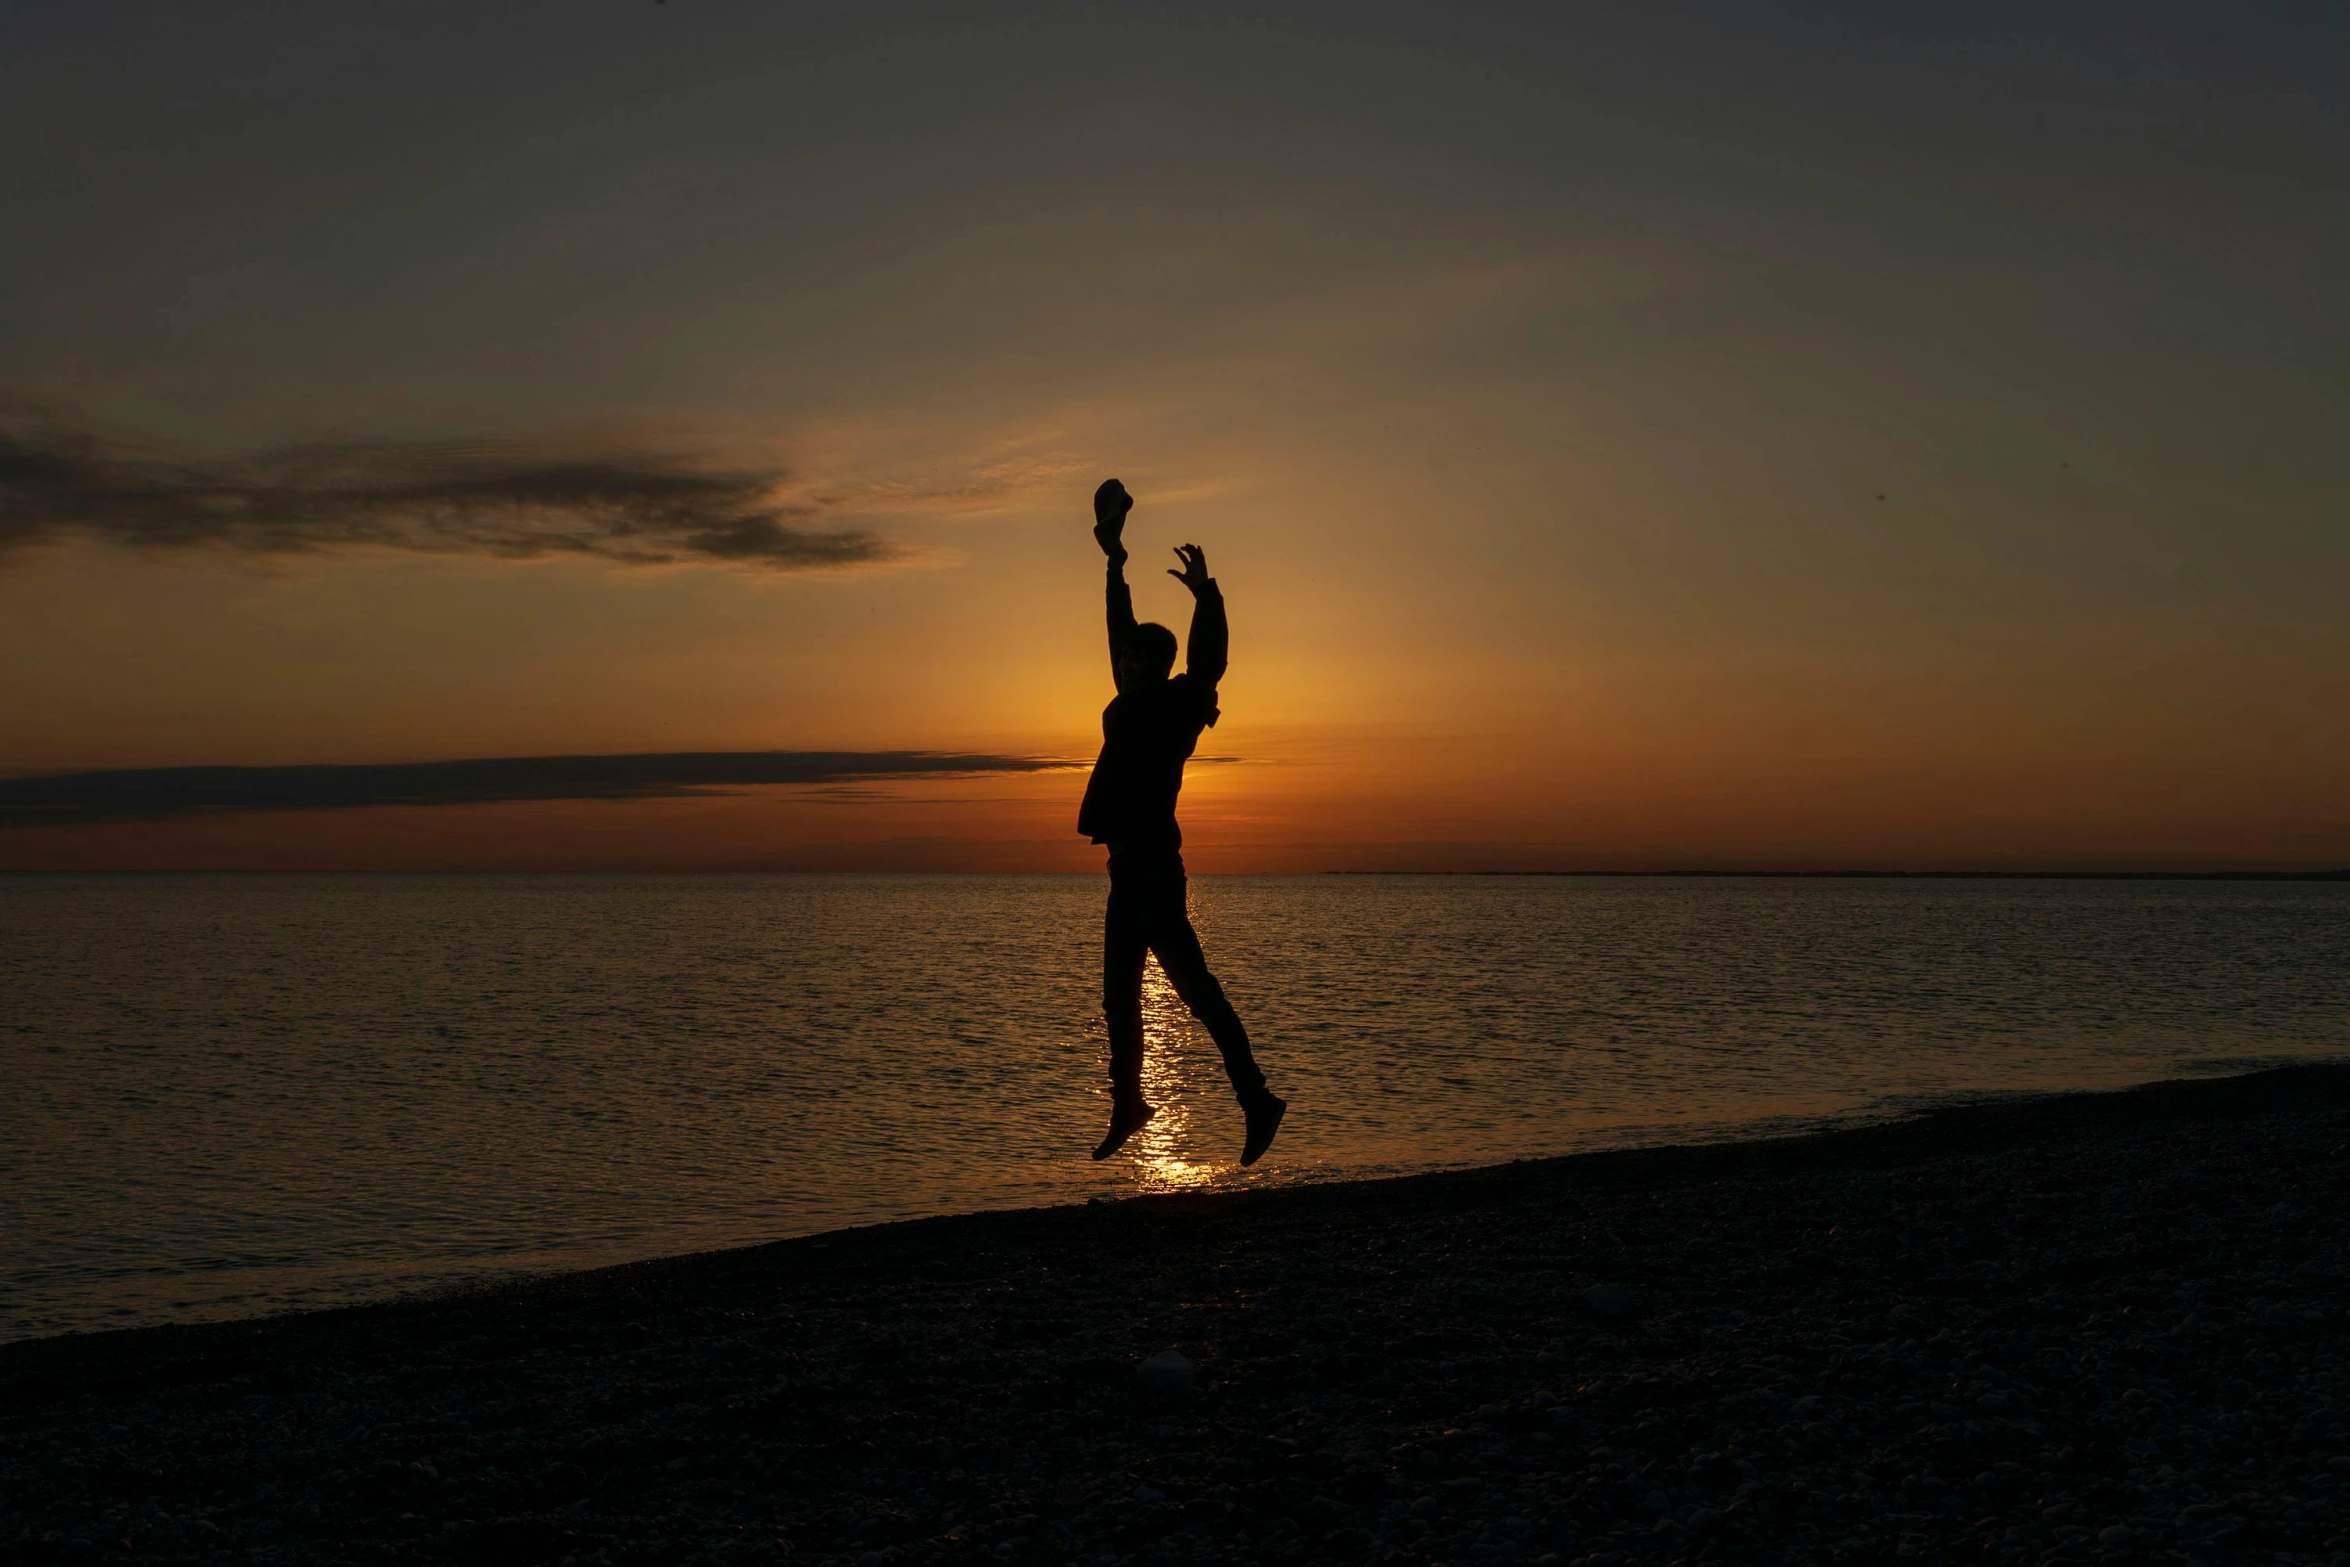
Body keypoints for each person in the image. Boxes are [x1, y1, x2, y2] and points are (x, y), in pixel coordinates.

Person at [1079, 478, 1287, 1166]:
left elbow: (1212, 661)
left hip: (1156, 874)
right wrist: (1115, 561)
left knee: (1196, 991)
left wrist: (1208, 596)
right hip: (1123, 872)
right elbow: (1117, 630)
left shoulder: (1175, 705)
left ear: (1157, 665)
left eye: (1138, 658)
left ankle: (1256, 1096)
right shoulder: (1129, 694)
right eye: (1127, 657)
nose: (1126, 663)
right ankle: (1129, 1102)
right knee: (1118, 997)